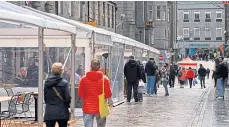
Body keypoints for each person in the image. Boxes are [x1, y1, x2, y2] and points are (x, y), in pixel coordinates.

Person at [78, 59, 112, 127]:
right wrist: (110, 102)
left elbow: (80, 94)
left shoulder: (83, 79)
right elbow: (108, 94)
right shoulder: (104, 79)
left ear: (90, 66)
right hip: (101, 108)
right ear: (99, 67)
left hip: (87, 107)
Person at [44, 63, 71, 127]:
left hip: (49, 111)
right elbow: (67, 98)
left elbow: (45, 97)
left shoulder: (47, 82)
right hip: (62, 111)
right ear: (62, 71)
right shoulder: (64, 83)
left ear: (52, 71)